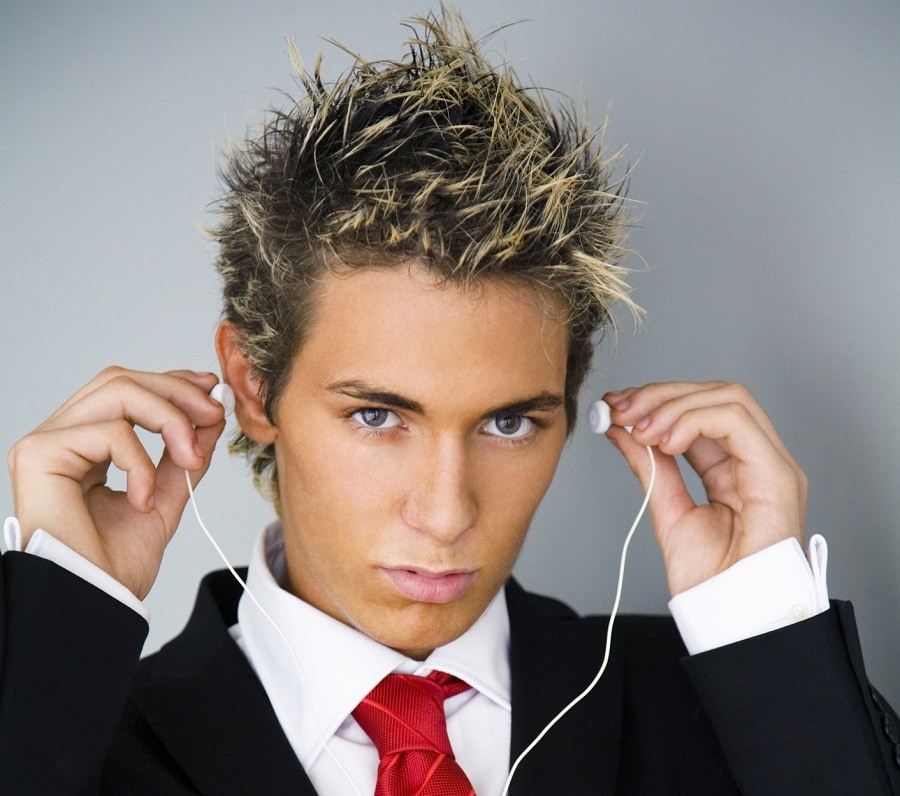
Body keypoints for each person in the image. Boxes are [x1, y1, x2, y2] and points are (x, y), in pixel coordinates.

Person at [1, 8, 898, 794]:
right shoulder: (74, 742)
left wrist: (762, 620)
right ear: (251, 384)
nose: (445, 513)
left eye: (509, 422)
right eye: (378, 416)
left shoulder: (729, 709)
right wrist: (56, 619)